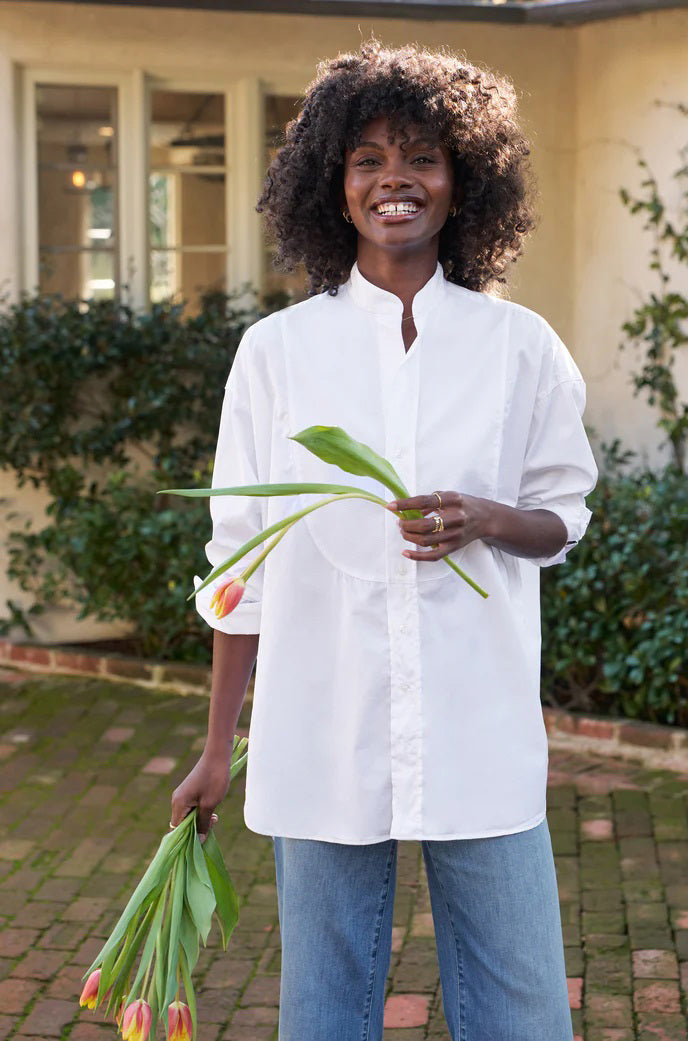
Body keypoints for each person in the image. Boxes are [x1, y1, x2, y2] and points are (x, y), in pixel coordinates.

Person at [171, 40, 598, 1041]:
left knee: (523, 1010)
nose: (393, 180)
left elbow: (561, 518)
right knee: (322, 1012)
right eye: (366, 159)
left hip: (478, 725)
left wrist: (483, 517)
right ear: (333, 184)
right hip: (319, 727)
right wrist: (215, 751)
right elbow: (243, 567)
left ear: (465, 182)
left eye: (421, 156)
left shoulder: (518, 347)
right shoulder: (278, 353)